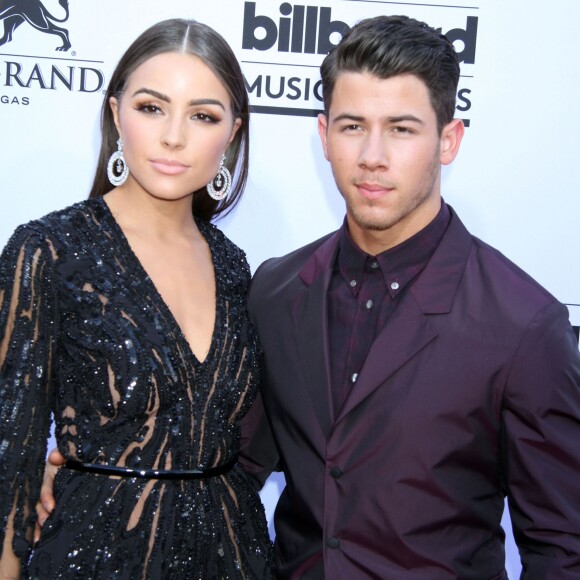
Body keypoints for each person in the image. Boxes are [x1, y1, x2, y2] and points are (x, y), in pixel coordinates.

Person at [240, 14, 580, 579]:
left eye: (401, 128)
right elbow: (231, 469)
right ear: (324, 137)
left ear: (448, 140)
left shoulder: (523, 324)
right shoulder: (275, 291)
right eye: (352, 126)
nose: (372, 155)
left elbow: (562, 550)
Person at [0, 19, 274, 579]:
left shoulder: (234, 265)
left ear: (231, 133)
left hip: (235, 556)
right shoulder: (49, 250)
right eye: (152, 108)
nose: (174, 136)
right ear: (115, 112)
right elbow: (11, 462)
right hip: (93, 559)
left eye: (203, 115)